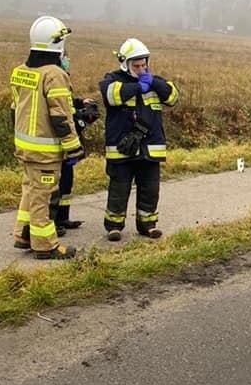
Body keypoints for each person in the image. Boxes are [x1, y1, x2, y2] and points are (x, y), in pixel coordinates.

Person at [10, 16, 82, 260]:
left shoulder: (21, 71)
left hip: (25, 147)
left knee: (30, 190)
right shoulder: (54, 75)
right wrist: (74, 148)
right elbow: (61, 117)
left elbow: (14, 109)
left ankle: (23, 234)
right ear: (56, 45)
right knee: (43, 195)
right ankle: (45, 245)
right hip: (45, 151)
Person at [99, 38, 179, 241]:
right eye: (137, 65)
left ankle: (148, 225)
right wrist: (136, 88)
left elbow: (173, 97)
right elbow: (110, 95)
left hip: (150, 149)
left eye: (144, 64)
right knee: (119, 189)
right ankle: (114, 226)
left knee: (150, 189)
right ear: (125, 64)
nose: (142, 69)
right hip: (122, 148)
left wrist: (153, 83)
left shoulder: (154, 81)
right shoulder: (113, 79)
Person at [54, 52, 100, 234]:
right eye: (65, 57)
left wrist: (81, 102)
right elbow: (59, 110)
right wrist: (80, 119)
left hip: (69, 142)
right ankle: (53, 221)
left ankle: (63, 218)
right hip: (60, 142)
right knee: (56, 184)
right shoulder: (54, 77)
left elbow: (66, 102)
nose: (68, 60)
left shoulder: (62, 77)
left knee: (67, 182)